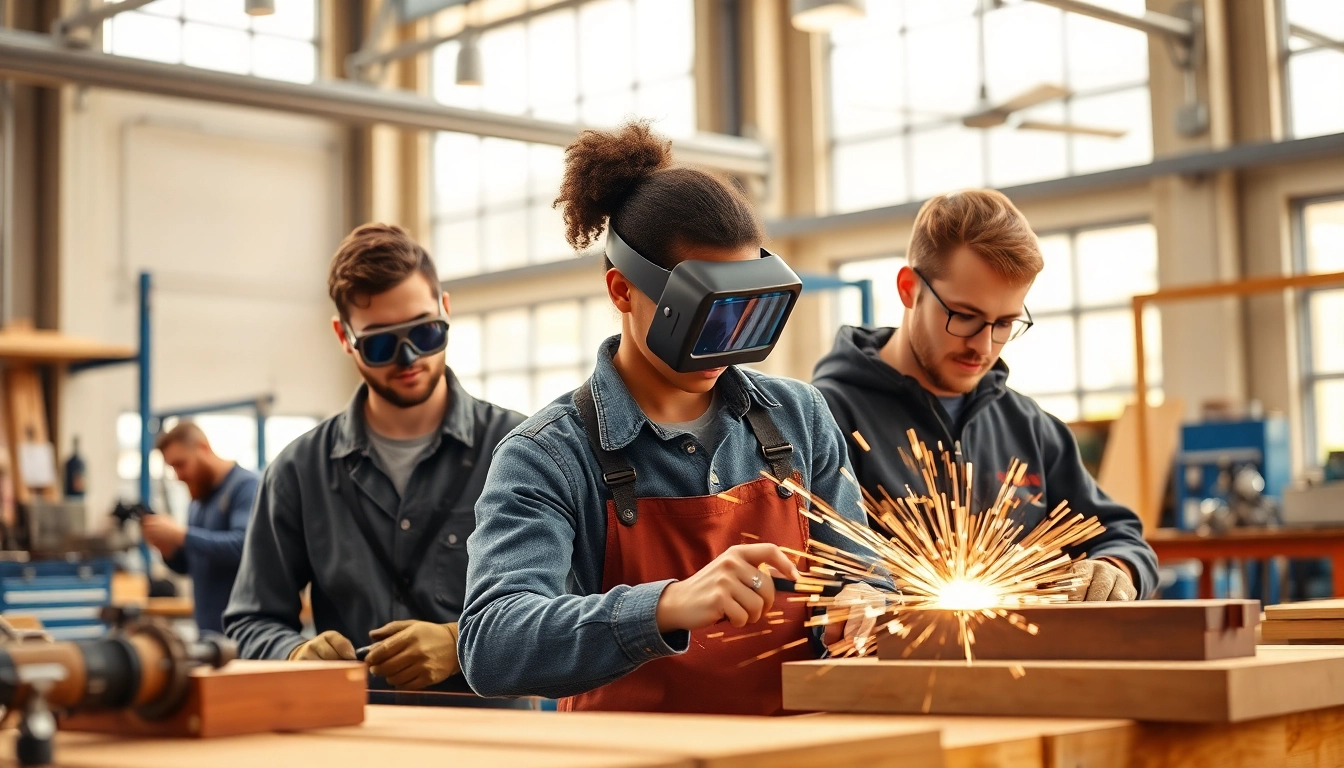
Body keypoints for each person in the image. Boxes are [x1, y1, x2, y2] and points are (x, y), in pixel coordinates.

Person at [458, 122, 870, 716]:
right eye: (701, 317)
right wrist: (666, 605)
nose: (723, 345)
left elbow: (867, 569)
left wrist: (865, 599)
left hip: (791, 750)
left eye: (742, 316)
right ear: (622, 291)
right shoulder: (548, 454)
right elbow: (492, 645)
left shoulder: (799, 418)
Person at [223, 224, 526, 702]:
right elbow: (250, 619)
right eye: (382, 344)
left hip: (490, 740)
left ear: (446, 309)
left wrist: (459, 643)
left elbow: (569, 598)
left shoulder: (520, 450)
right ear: (344, 336)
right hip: (351, 734)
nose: (409, 359)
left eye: (426, 332)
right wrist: (294, 654)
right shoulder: (299, 472)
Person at [812, 189, 1157, 601]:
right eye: (965, 317)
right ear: (909, 289)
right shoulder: (823, 418)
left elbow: (1121, 536)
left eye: (1005, 323)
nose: (984, 346)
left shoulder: (1029, 427)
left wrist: (1115, 567)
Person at [141, 422, 259, 634]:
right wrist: (167, 548)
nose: (178, 475)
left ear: (203, 448)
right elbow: (191, 565)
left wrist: (180, 534)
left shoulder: (246, 486)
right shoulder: (197, 501)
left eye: (181, 464)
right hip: (209, 633)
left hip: (245, 633)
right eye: (172, 468)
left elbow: (244, 547)